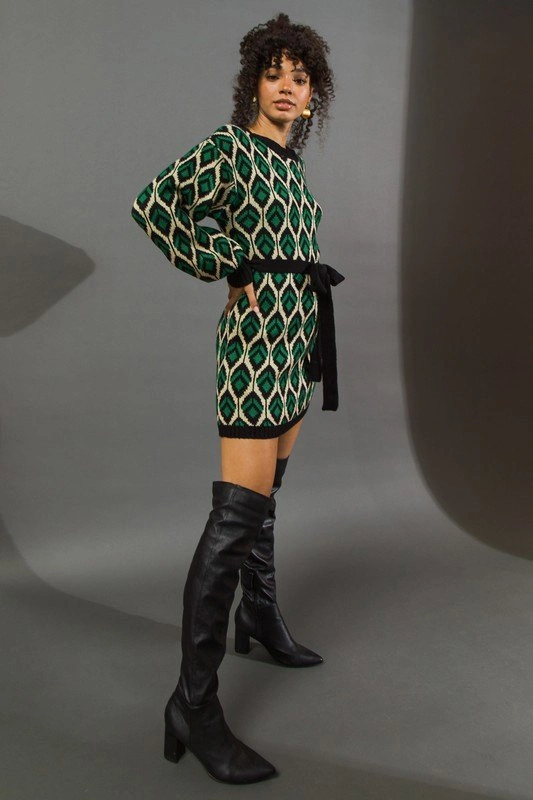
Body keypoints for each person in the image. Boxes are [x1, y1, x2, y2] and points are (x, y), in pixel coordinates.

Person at [130, 12, 344, 785]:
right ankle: (192, 703)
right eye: (273, 73)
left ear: (313, 95)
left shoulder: (289, 166)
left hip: (296, 343)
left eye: (300, 77)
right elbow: (155, 206)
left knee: (265, 500)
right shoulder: (229, 150)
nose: (287, 87)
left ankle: (260, 616)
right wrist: (228, 262)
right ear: (251, 83)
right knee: (236, 512)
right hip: (254, 348)